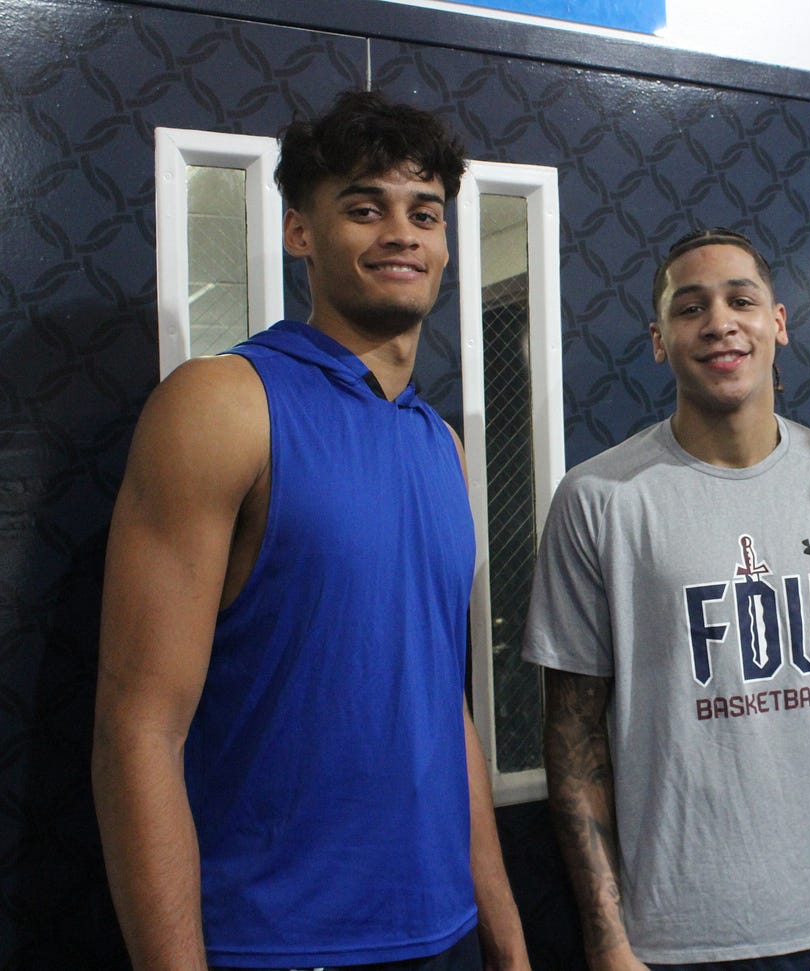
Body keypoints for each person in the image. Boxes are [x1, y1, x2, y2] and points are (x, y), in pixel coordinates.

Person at [93, 90, 529, 971]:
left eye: (425, 212)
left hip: (442, 935)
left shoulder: (438, 443)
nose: (401, 233)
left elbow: (444, 711)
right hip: (274, 945)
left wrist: (508, 943)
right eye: (364, 208)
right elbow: (138, 729)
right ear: (300, 232)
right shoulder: (223, 404)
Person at [523, 228, 810, 970]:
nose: (719, 321)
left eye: (742, 298)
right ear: (658, 339)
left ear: (779, 323)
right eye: (690, 306)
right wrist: (606, 937)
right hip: (669, 937)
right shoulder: (598, 499)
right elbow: (573, 733)